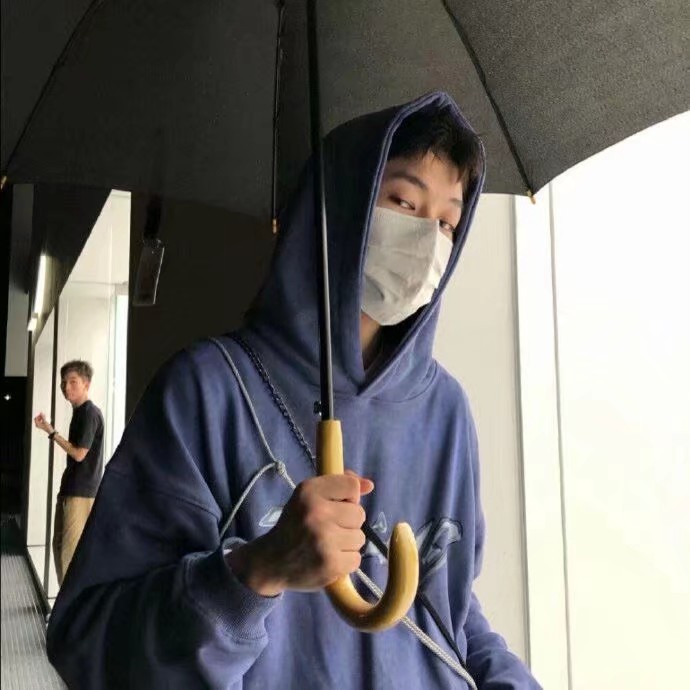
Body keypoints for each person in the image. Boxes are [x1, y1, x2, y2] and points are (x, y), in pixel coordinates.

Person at [46, 92, 541, 689]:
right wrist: (253, 571)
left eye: (447, 223)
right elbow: (90, 645)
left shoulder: (447, 411)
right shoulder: (209, 392)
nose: (427, 240)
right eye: (403, 202)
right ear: (337, 205)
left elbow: (447, 613)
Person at [34, 360, 104, 585]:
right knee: (59, 547)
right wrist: (48, 429)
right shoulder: (80, 413)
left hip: (82, 492)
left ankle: (70, 605)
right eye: (64, 382)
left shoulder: (90, 413)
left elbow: (79, 454)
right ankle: (66, 601)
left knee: (69, 554)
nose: (66, 387)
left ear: (86, 384)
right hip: (71, 489)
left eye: (73, 382)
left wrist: (51, 432)